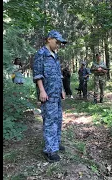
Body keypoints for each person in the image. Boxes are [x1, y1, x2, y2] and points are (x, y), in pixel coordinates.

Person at [32, 30, 67, 163]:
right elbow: (38, 74)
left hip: (56, 93)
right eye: (57, 42)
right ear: (49, 39)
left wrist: (62, 89)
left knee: (57, 119)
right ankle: (49, 150)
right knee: (50, 121)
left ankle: (56, 144)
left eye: (59, 43)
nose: (58, 45)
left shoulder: (55, 55)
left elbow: (59, 74)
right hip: (47, 94)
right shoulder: (41, 54)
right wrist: (42, 91)